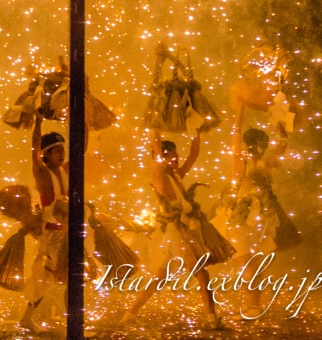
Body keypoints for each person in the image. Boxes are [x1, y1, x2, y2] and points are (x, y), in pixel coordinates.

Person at [121, 130, 235, 331]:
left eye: (176, 154)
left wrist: (197, 132)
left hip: (183, 234)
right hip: (177, 235)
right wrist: (156, 126)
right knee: (201, 274)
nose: (177, 158)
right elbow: (157, 153)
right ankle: (211, 319)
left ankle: (130, 314)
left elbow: (193, 156)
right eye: (171, 154)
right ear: (162, 157)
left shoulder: (176, 176)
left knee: (160, 278)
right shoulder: (159, 176)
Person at [226, 113, 301, 319]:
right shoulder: (267, 166)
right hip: (265, 219)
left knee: (245, 265)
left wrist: (239, 115)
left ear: (246, 145)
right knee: (253, 265)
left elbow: (235, 142)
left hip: (244, 218)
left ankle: (252, 308)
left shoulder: (240, 164)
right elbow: (283, 144)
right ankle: (254, 307)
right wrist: (280, 125)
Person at [19, 111, 69, 333]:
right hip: (51, 235)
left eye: (63, 150)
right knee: (49, 280)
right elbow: (33, 151)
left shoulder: (64, 172)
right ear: (46, 154)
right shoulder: (42, 171)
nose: (62, 154)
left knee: (66, 277)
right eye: (57, 150)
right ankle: (71, 323)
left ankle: (69, 321)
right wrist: (38, 123)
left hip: (65, 232)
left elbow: (82, 150)